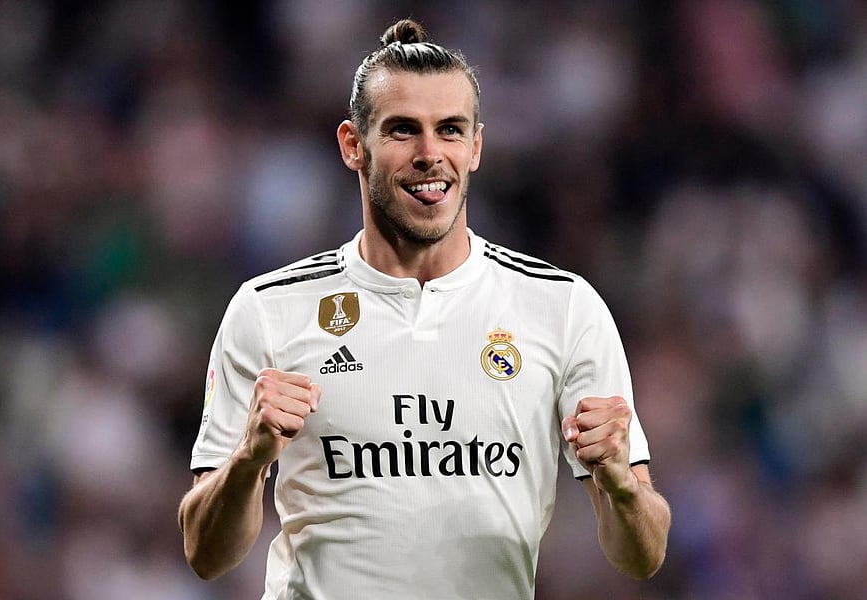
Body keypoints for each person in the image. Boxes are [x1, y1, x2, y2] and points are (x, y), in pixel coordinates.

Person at [178, 18, 670, 599]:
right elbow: (205, 554)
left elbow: (644, 555)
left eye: (451, 130)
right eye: (403, 130)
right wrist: (249, 457)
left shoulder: (562, 307)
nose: (430, 154)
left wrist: (620, 485)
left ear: (477, 147)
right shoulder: (270, 309)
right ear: (353, 145)